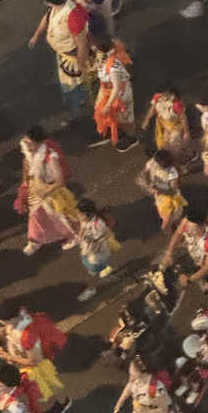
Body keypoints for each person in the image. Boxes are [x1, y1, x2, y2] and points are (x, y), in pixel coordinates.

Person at [0, 307, 71, 413]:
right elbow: (9, 327)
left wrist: (10, 357)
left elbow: (34, 361)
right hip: (27, 365)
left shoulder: (26, 336)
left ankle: (55, 408)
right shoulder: (18, 319)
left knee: (43, 392)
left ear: (10, 318)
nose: (2, 323)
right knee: (43, 392)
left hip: (35, 370)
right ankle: (55, 406)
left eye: (3, 321)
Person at [16, 127, 79, 256]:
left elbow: (60, 180)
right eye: (26, 142)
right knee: (35, 217)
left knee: (61, 217)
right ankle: (35, 241)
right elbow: (26, 166)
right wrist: (25, 186)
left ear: (38, 143)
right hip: (35, 190)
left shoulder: (51, 156)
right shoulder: (29, 151)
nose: (26, 146)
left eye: (30, 143)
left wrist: (45, 192)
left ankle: (73, 236)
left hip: (52, 192)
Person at [161, 206, 208, 291]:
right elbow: (178, 234)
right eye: (188, 228)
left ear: (202, 226)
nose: (189, 232)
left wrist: (189, 280)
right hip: (200, 257)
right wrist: (169, 253)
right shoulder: (187, 222)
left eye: (193, 230)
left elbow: (207, 268)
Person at [91, 34, 136, 151]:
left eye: (95, 47)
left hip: (119, 94)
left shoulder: (113, 66)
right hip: (106, 90)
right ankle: (111, 129)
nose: (92, 48)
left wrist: (107, 105)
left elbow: (116, 88)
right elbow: (95, 67)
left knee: (124, 117)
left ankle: (132, 138)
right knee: (105, 112)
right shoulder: (102, 58)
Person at [72, 198, 119, 302]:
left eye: (79, 214)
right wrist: (80, 238)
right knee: (99, 268)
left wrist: (86, 245)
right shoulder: (86, 220)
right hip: (91, 252)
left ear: (86, 214)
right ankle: (107, 275)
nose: (77, 216)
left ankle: (91, 288)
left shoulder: (98, 224)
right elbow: (83, 228)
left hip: (96, 255)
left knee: (92, 273)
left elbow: (97, 240)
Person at [139, 147, 187, 232]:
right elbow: (173, 187)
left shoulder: (153, 163)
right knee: (173, 213)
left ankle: (170, 225)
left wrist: (153, 187)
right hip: (165, 196)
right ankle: (173, 225)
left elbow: (145, 173)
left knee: (168, 212)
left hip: (162, 195)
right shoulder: (169, 171)